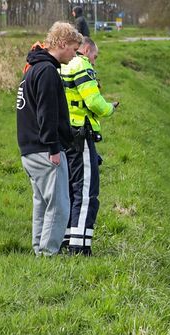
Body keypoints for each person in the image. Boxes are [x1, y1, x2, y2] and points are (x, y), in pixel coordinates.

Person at [16, 22, 83, 257]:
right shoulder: (46, 72)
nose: (75, 56)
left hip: (29, 148)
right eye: (74, 50)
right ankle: (47, 253)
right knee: (59, 206)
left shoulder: (33, 68)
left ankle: (39, 250)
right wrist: (54, 147)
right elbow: (46, 114)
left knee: (42, 204)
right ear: (62, 44)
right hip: (45, 150)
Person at [60, 36, 117, 256]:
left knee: (70, 189)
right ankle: (80, 247)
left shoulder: (63, 67)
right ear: (86, 49)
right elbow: (93, 101)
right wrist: (110, 108)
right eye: (95, 55)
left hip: (66, 133)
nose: (94, 61)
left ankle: (67, 240)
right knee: (85, 192)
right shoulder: (82, 65)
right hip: (81, 134)